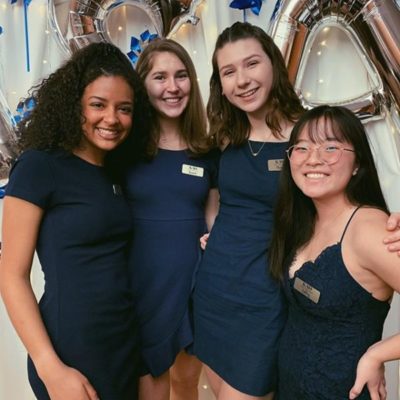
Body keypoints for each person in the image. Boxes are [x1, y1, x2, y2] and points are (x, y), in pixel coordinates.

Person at [192, 21, 400, 400]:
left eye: (251, 63)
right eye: (228, 71)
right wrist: (216, 233)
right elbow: (224, 202)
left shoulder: (309, 137)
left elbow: (350, 200)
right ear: (219, 84)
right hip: (214, 290)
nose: (242, 80)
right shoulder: (226, 137)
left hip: (266, 297)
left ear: (274, 63)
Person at [0, 42, 148, 400]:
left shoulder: (115, 171)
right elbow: (11, 275)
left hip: (124, 347)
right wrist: (50, 367)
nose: (111, 119)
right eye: (98, 104)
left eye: (123, 109)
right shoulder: (40, 166)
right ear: (74, 104)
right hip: (71, 353)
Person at [269, 105, 400, 399]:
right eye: (301, 148)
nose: (313, 159)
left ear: (357, 164)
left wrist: (378, 354)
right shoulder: (303, 220)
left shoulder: (368, 229)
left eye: (331, 147)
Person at [125, 38, 220, 400]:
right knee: (147, 384)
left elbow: (212, 217)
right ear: (142, 85)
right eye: (160, 77)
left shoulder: (207, 151)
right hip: (141, 286)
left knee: (186, 383)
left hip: (193, 284)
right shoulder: (125, 149)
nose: (172, 87)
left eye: (181, 76)